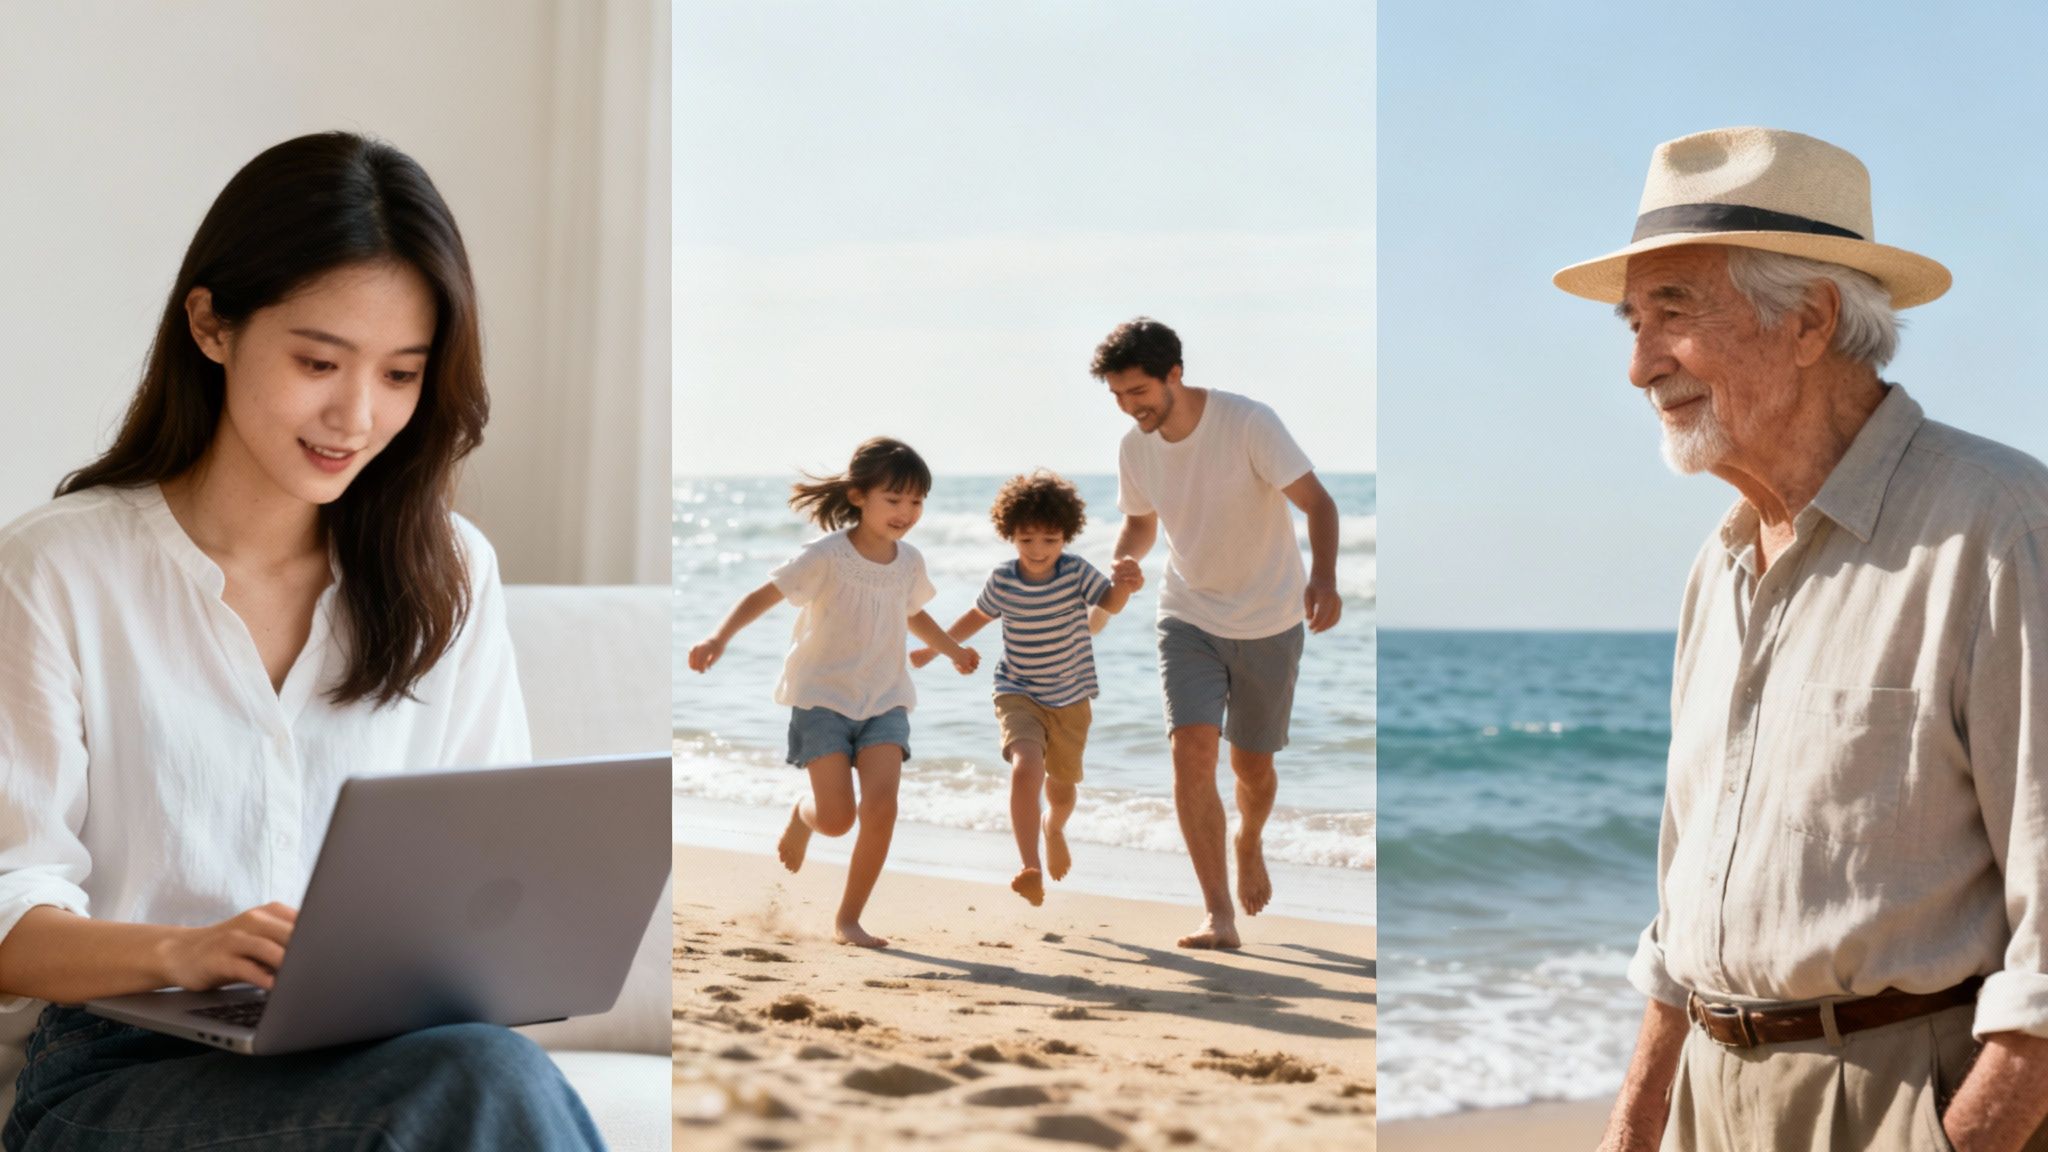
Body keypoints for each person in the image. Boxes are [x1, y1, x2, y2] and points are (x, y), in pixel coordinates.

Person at [0, 133, 603, 1149]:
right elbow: (9, 918)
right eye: (319, 361)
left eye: (402, 375)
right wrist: (188, 952)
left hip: (376, 1056)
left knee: (478, 1073)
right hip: (114, 1073)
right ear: (212, 325)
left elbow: (487, 881)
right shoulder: (56, 570)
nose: (356, 416)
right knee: (479, 1086)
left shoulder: (448, 571)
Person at [1557, 126, 2048, 1152]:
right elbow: (1683, 906)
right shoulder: (1719, 563)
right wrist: (1632, 1126)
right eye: (1630, 323)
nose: (1639, 365)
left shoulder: (2000, 528)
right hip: (1704, 1093)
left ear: (1809, 320)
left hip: (1902, 1102)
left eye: (1674, 314)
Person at [1093, 318, 1342, 950]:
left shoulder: (1248, 422)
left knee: (1252, 768)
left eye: (1139, 392)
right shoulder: (1135, 446)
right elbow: (1141, 526)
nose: (1130, 407)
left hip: (1270, 618)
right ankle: (1217, 915)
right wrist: (1126, 559)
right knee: (1191, 752)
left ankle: (1249, 840)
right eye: (1119, 396)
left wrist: (1325, 581)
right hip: (1188, 614)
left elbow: (1319, 503)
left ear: (1174, 373)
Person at [686, 437, 979, 949]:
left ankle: (849, 919)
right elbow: (764, 594)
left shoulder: (909, 561)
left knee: (883, 806)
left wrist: (951, 649)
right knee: (839, 820)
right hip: (822, 699)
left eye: (916, 502)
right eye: (895, 500)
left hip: (886, 698)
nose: (906, 513)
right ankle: (804, 814)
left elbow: (912, 613)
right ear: (859, 495)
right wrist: (718, 636)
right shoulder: (825, 557)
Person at [911, 470, 1142, 906]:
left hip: (1071, 697)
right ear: (1010, 534)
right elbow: (976, 617)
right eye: (1027, 539)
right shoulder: (1003, 580)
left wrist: (1126, 585)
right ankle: (1028, 865)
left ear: (1066, 536)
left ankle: (1053, 828)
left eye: (1050, 540)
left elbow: (1109, 602)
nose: (1038, 550)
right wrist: (936, 649)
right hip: (1017, 691)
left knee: (1061, 788)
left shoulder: (1075, 573)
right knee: (1025, 766)